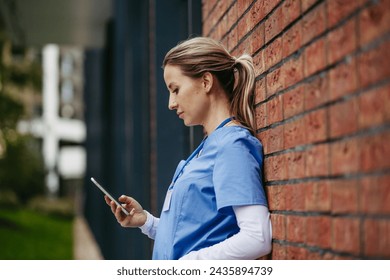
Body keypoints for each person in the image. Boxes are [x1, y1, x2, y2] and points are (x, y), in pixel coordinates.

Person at [105, 36, 272, 260]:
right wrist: (147, 222)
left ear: (206, 82)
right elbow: (193, 232)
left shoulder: (232, 145)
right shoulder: (208, 146)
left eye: (175, 89)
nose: (171, 103)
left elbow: (257, 237)